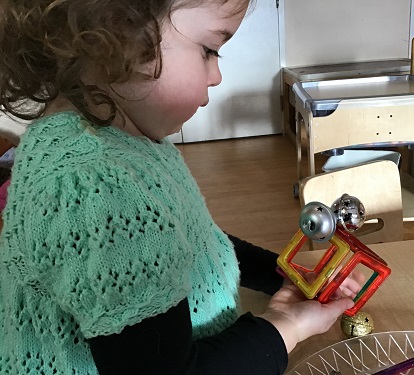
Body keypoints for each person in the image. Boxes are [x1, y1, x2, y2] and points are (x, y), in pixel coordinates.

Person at [0, 0, 363, 374]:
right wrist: (289, 327)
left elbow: (192, 240)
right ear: (112, 36)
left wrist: (278, 272)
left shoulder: (126, 145)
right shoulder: (95, 185)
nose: (217, 75)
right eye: (209, 49)